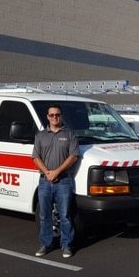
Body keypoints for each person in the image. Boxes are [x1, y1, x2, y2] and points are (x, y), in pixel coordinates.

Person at [32, 104, 79, 258]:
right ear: (47, 117)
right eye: (51, 115)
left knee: (65, 215)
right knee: (44, 215)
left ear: (61, 116)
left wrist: (57, 172)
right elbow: (35, 157)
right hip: (45, 181)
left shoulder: (70, 134)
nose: (54, 117)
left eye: (57, 115)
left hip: (64, 181)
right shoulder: (40, 136)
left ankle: (67, 245)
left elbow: (73, 156)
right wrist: (47, 172)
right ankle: (46, 244)